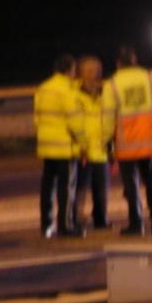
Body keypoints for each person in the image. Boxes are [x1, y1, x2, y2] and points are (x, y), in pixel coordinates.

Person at [102, 45, 152, 235]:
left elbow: (108, 117)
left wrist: (107, 141)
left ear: (118, 64)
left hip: (125, 144)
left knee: (131, 186)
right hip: (149, 141)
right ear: (134, 61)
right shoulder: (150, 77)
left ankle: (136, 224)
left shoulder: (112, 85)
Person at [34, 53, 85, 238]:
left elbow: (37, 117)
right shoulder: (67, 90)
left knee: (48, 187)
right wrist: (84, 143)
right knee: (66, 188)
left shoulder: (43, 88)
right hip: (65, 147)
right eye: (74, 70)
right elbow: (75, 121)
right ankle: (65, 225)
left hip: (47, 146)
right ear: (70, 70)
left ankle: (46, 224)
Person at [73, 55, 110, 230]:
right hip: (83, 148)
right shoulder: (74, 92)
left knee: (101, 187)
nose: (94, 74)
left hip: (101, 147)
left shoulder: (106, 90)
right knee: (80, 186)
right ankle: (77, 218)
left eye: (96, 70)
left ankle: (101, 219)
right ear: (81, 73)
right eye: (89, 71)